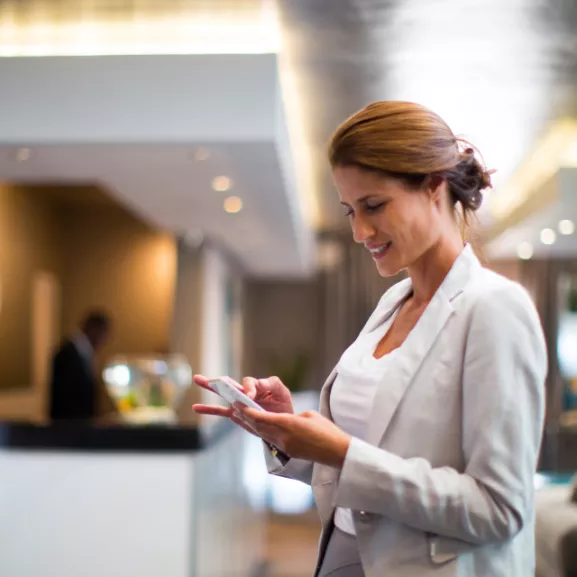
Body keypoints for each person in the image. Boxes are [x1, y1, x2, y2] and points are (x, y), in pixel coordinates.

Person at [192, 101, 547, 577]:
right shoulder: (392, 305)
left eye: (374, 206)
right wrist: (289, 434)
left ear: (433, 185)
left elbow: (499, 509)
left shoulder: (495, 309)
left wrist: (341, 451)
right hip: (343, 555)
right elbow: (367, 456)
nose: (360, 231)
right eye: (350, 211)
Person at [49, 310, 113, 421]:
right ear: (93, 329)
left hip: (80, 425)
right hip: (70, 426)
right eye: (103, 334)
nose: (104, 340)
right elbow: (65, 399)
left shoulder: (85, 352)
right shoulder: (67, 353)